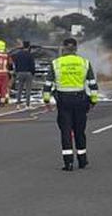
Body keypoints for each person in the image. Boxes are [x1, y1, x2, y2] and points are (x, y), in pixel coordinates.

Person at [42, 35, 100, 170]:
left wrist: (46, 100)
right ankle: (82, 160)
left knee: (66, 132)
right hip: (80, 100)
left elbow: (48, 84)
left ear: (63, 48)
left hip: (63, 101)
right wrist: (93, 101)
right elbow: (92, 84)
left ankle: (68, 163)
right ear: (76, 48)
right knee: (80, 131)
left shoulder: (56, 63)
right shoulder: (84, 63)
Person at [10, 38, 37, 107]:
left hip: (19, 72)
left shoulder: (18, 54)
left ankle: (18, 104)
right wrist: (33, 73)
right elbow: (32, 65)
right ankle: (27, 104)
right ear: (28, 47)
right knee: (28, 89)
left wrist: (16, 71)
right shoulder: (30, 55)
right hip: (28, 73)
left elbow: (16, 64)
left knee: (19, 89)